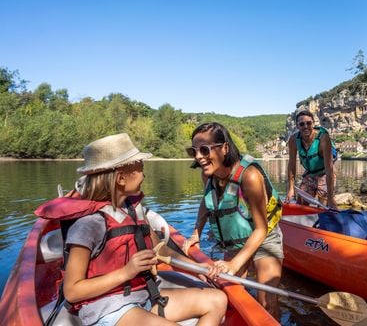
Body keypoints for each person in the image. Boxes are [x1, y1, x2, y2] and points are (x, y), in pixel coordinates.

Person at [37, 133, 227, 326]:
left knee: (218, 300)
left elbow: (160, 249)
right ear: (121, 178)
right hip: (110, 308)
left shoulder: (134, 211)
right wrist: (127, 272)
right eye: (140, 169)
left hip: (142, 296)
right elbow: (72, 291)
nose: (144, 175)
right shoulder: (89, 224)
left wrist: (197, 268)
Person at [181, 122, 283, 318]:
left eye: (204, 150)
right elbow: (207, 201)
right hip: (235, 240)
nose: (199, 157)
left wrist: (235, 265)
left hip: (264, 238)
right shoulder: (208, 175)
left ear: (225, 148)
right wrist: (196, 232)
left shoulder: (250, 176)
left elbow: (261, 229)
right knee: (229, 294)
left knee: (267, 302)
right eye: (193, 151)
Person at [285, 110, 337, 209]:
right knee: (300, 203)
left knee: (323, 207)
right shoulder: (293, 140)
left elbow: (329, 168)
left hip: (325, 173)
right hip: (310, 173)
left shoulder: (323, 138)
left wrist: (330, 198)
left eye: (309, 123)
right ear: (297, 126)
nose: (305, 126)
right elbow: (292, 165)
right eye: (302, 124)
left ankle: (329, 216)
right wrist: (291, 188)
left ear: (313, 123)